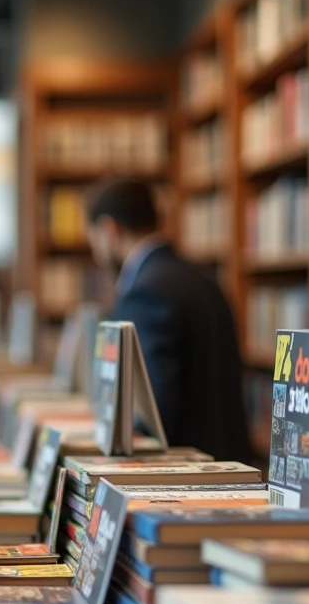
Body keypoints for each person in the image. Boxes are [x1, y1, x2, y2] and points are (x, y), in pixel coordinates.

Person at [85, 179, 253, 465]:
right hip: (232, 467)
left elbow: (153, 417)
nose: (96, 254)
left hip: (187, 481)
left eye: (93, 241)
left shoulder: (144, 293)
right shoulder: (207, 281)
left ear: (109, 230)